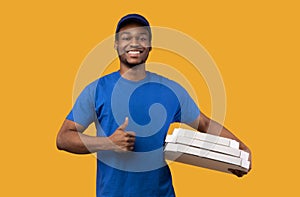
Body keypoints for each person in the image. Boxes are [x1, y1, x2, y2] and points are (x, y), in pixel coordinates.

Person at [56, 13, 252, 197]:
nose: (134, 43)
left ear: (149, 46)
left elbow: (204, 123)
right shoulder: (97, 89)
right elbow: (63, 138)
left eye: (142, 37)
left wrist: (239, 148)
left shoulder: (170, 90)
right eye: (126, 37)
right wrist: (108, 142)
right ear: (116, 44)